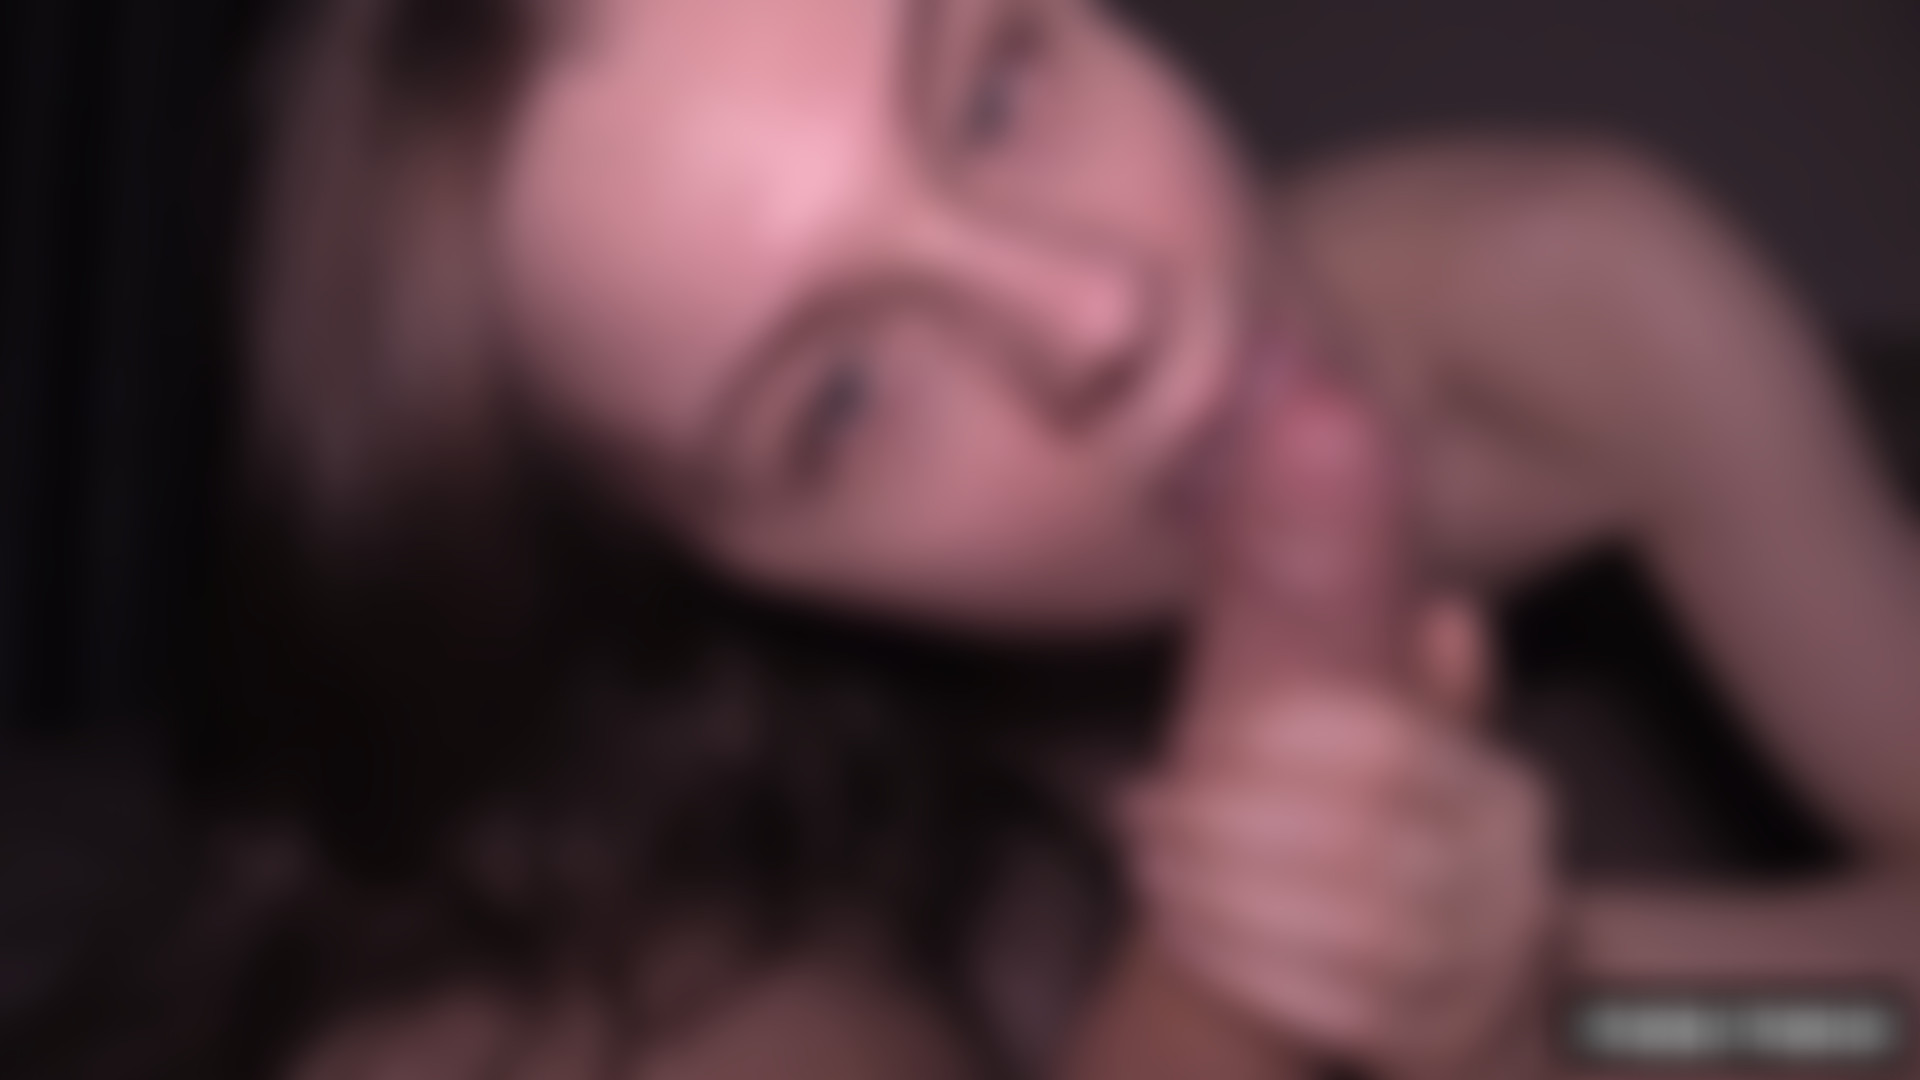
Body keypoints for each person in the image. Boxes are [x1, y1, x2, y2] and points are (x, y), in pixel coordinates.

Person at [23, 0, 1920, 1077]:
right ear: (710, 575)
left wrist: (1569, 995)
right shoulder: (727, 861)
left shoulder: (1580, 294)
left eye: (996, 87)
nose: (1098, 310)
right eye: (841, 400)